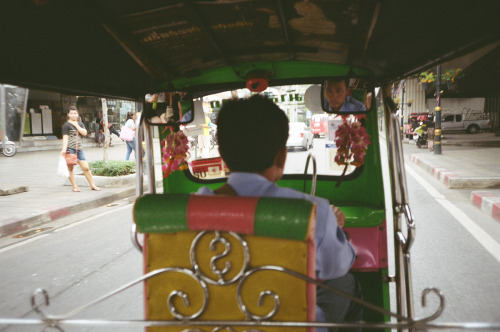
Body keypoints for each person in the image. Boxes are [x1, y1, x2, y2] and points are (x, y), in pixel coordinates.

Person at [196, 95, 363, 331]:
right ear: (281, 157)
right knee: (347, 284)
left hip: (215, 324)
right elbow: (340, 264)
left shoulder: (191, 209)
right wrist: (335, 228)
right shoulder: (312, 212)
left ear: (222, 154)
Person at [60, 106, 100, 192]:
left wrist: (76, 125)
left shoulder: (80, 124)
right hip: (70, 149)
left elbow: (84, 133)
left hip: (79, 149)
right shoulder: (66, 125)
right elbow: (65, 138)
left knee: (86, 168)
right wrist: (64, 149)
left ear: (78, 114)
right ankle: (75, 186)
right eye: (71, 113)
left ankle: (93, 185)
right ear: (68, 114)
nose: (73, 115)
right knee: (70, 169)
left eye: (75, 113)